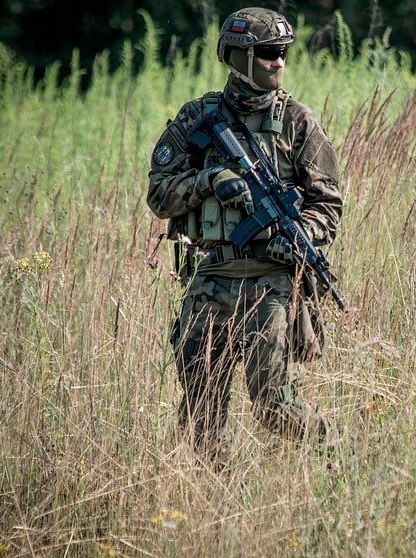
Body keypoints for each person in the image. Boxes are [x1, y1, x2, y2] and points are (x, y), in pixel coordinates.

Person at [146, 7, 342, 465]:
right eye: (269, 53)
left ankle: (336, 456)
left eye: (283, 53)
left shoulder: (297, 121)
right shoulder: (198, 118)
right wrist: (208, 181)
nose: (280, 62)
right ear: (237, 56)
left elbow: (328, 203)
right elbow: (158, 195)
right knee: (201, 411)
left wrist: (298, 237)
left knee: (275, 407)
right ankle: (219, 504)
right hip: (209, 279)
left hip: (271, 285)